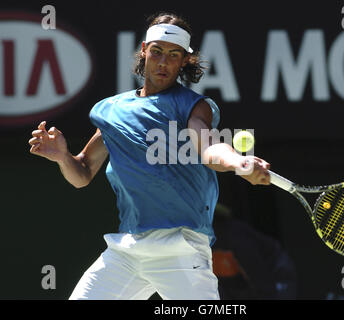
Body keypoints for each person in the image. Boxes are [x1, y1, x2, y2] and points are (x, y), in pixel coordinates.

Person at [28, 12, 271, 300]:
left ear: (184, 61)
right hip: (127, 251)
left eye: (173, 55)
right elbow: (81, 174)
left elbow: (208, 148)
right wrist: (62, 157)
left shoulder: (193, 107)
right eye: (157, 52)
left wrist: (238, 163)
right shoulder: (112, 111)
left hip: (180, 248)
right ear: (144, 51)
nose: (164, 62)